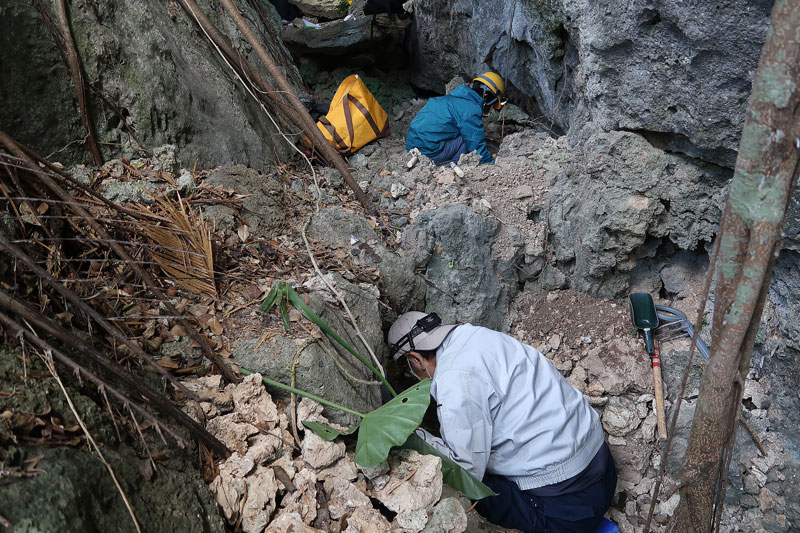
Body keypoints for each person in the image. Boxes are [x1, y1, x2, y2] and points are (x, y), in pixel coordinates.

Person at [388, 311, 617, 533]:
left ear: (415, 359)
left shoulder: (454, 379)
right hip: (605, 471)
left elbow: (467, 472)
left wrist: (415, 435)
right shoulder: (476, 335)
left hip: (569, 511)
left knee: (474, 489)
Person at [405, 72, 506, 166]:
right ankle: (451, 165)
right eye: (492, 105)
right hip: (429, 152)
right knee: (467, 139)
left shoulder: (452, 99)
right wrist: (491, 162)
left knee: (464, 132)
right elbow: (475, 145)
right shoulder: (470, 110)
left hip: (412, 146)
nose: (491, 108)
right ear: (489, 98)